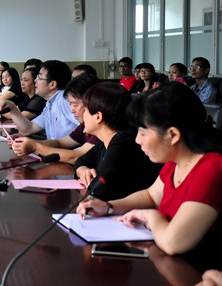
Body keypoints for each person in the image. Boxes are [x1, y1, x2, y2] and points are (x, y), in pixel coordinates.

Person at [77, 83, 222, 261]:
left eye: (143, 132)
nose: (137, 140)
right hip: (166, 260)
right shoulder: (176, 160)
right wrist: (108, 207)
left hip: (196, 270)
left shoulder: (212, 167)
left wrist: (150, 215)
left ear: (173, 135)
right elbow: (151, 196)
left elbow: (173, 242)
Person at [74, 82, 161, 200]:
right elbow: (81, 161)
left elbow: (101, 189)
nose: (83, 115)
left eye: (85, 110)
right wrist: (83, 171)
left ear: (98, 117)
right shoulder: (106, 139)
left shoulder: (125, 141)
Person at [11, 73, 100, 164]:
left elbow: (76, 156)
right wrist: (29, 142)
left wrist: (35, 147)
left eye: (75, 105)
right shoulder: (84, 126)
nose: (71, 110)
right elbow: (61, 143)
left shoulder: (101, 128)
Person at [0, 60, 78, 140]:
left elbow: (87, 130)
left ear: (52, 84)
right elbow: (29, 128)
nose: (35, 80)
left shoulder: (64, 100)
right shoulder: (50, 104)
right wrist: (12, 108)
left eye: (39, 77)